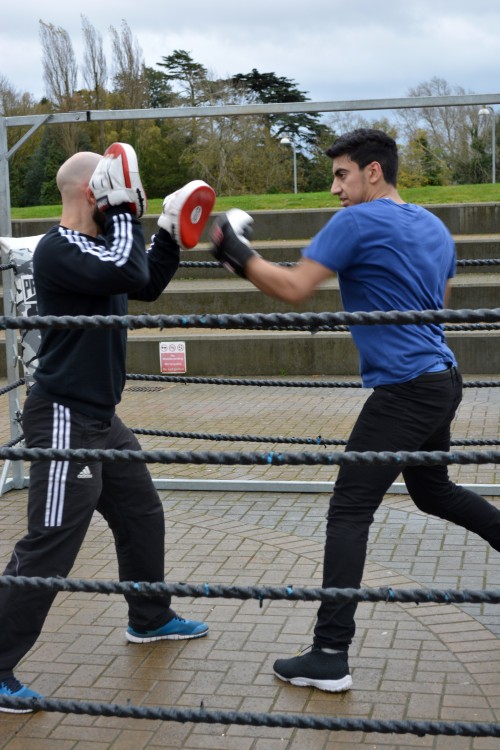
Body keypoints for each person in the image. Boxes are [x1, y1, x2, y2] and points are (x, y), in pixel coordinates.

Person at [210, 128, 500, 693]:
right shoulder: (434, 227)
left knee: (348, 509)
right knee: (432, 491)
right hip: (442, 377)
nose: (335, 188)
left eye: (342, 174)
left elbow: (294, 288)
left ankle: (330, 653)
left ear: (373, 171)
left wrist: (233, 249)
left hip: (407, 390)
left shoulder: (356, 223)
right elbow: (435, 308)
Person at [0, 143, 216, 712]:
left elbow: (141, 279)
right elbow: (124, 264)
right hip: (65, 417)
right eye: (116, 189)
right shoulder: (59, 249)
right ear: (93, 193)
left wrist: (166, 231)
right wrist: (126, 216)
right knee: (50, 543)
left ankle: (150, 616)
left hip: (102, 419)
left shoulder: (103, 248)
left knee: (141, 512)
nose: (127, 200)